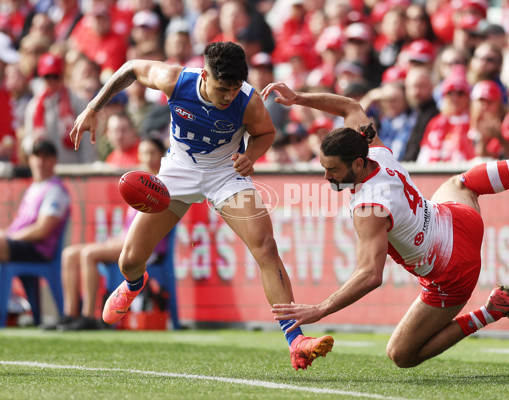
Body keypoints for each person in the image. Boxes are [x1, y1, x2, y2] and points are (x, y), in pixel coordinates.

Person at [261, 81, 509, 368]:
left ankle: (492, 310)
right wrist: (298, 98)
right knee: (463, 183)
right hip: (459, 220)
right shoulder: (376, 151)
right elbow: (350, 107)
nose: (326, 177)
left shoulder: (368, 208)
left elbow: (370, 276)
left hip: (452, 273)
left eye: (331, 169)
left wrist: (320, 309)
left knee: (401, 355)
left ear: (357, 164)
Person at [69, 41, 332, 370]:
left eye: (234, 89)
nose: (228, 97)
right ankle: (135, 283)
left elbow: (265, 133)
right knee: (129, 260)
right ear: (205, 75)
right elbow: (131, 68)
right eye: (223, 89)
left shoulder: (247, 101)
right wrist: (94, 107)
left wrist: (250, 156)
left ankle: (296, 339)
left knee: (265, 245)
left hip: (225, 174)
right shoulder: (176, 80)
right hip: (178, 171)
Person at [45, 138, 166, 331]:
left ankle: (89, 316)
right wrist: (118, 237)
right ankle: (69, 314)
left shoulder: (162, 188)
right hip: (128, 241)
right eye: (143, 153)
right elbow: (130, 225)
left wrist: (124, 240)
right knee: (69, 254)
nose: (147, 158)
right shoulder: (140, 185)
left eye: (152, 152)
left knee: (89, 254)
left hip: (147, 246)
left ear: (162, 155)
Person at [0, 140, 70, 265]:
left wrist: (10, 237)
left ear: (54, 160)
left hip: (37, 250)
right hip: (21, 242)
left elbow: (41, 230)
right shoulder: (34, 187)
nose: (40, 162)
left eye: (45, 157)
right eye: (36, 156)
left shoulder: (55, 190)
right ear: (30, 160)